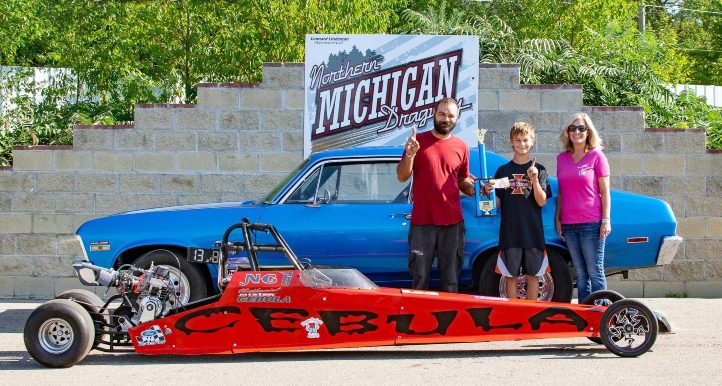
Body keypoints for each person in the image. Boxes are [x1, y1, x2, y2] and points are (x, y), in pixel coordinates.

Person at [396, 97, 475, 293]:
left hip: (453, 223)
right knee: (420, 278)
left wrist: (474, 189)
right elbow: (402, 176)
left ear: (456, 118)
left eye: (450, 115)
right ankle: (418, 321)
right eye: (442, 114)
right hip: (423, 222)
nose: (445, 119)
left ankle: (449, 321)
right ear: (434, 113)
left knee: (450, 280)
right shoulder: (418, 142)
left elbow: (463, 179)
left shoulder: (462, 147)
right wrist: (411, 154)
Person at [483, 122, 552, 301]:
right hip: (510, 232)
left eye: (525, 140)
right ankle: (514, 314)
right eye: (518, 140)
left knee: (533, 276)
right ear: (511, 142)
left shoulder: (540, 170)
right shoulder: (503, 170)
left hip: (533, 232)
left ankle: (531, 314)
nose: (522, 144)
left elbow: (541, 201)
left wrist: (535, 180)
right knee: (510, 276)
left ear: (532, 142)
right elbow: (498, 203)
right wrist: (488, 193)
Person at [554, 112, 611, 303]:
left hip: (591, 223)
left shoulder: (597, 156)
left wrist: (605, 220)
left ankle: (602, 314)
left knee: (595, 271)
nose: (576, 132)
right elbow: (561, 192)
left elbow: (605, 192)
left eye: (581, 128)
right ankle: (586, 314)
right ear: (568, 132)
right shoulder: (562, 158)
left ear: (588, 132)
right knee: (580, 273)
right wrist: (558, 218)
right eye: (572, 128)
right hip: (569, 225)